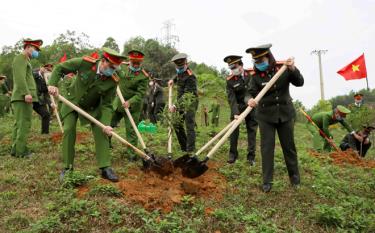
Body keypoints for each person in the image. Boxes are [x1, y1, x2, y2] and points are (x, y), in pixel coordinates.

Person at [48, 47, 126, 182]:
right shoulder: (84, 63)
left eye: (115, 68)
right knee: (68, 129)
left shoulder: (112, 80)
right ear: (103, 61)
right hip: (71, 101)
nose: (112, 70)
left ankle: (105, 167)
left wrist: (106, 123)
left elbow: (107, 104)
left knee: (102, 131)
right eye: (111, 67)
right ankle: (68, 168)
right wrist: (52, 84)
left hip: (92, 108)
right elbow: (60, 68)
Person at [246, 44, 304, 192]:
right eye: (256, 62)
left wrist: (293, 69)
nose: (259, 64)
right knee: (267, 148)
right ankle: (267, 182)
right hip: (265, 116)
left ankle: (295, 178)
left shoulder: (283, 68)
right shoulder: (255, 75)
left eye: (261, 60)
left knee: (289, 147)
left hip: (285, 113)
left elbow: (300, 82)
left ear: (269, 57)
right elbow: (249, 92)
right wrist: (249, 100)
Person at [110, 50, 148, 159]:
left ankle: (131, 154)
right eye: (133, 62)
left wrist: (130, 102)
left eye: (138, 63)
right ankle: (107, 143)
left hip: (132, 107)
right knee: (109, 123)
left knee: (131, 130)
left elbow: (140, 94)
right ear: (129, 61)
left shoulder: (143, 76)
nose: (135, 65)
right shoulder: (123, 68)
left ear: (141, 63)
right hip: (118, 104)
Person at [11, 39, 43, 158]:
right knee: (24, 123)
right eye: (35, 49)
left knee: (19, 124)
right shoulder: (21, 58)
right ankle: (21, 151)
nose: (36, 52)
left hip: (22, 97)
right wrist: (26, 93)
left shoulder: (26, 60)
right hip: (22, 97)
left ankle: (16, 149)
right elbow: (20, 77)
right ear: (28, 47)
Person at [224, 55, 258, 165]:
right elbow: (231, 98)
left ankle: (251, 157)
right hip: (238, 107)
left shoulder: (252, 74)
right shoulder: (230, 81)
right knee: (233, 130)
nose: (233, 70)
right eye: (231, 68)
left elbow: (253, 90)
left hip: (251, 106)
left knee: (252, 131)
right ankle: (233, 154)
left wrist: (251, 101)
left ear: (241, 65)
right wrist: (235, 113)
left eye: (234, 67)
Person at [168, 53, 198, 154]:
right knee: (176, 123)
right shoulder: (180, 72)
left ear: (186, 63)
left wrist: (175, 105)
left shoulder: (191, 76)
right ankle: (184, 147)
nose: (179, 68)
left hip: (190, 102)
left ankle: (190, 150)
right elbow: (178, 75)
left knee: (189, 125)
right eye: (178, 66)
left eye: (181, 66)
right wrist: (173, 79)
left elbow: (188, 94)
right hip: (180, 101)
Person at [32, 64, 53, 134]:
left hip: (39, 100)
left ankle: (45, 133)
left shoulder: (45, 79)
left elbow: (45, 91)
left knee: (46, 114)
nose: (45, 70)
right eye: (44, 68)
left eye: (47, 69)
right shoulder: (34, 74)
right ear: (40, 67)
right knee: (24, 118)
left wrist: (51, 103)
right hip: (30, 98)